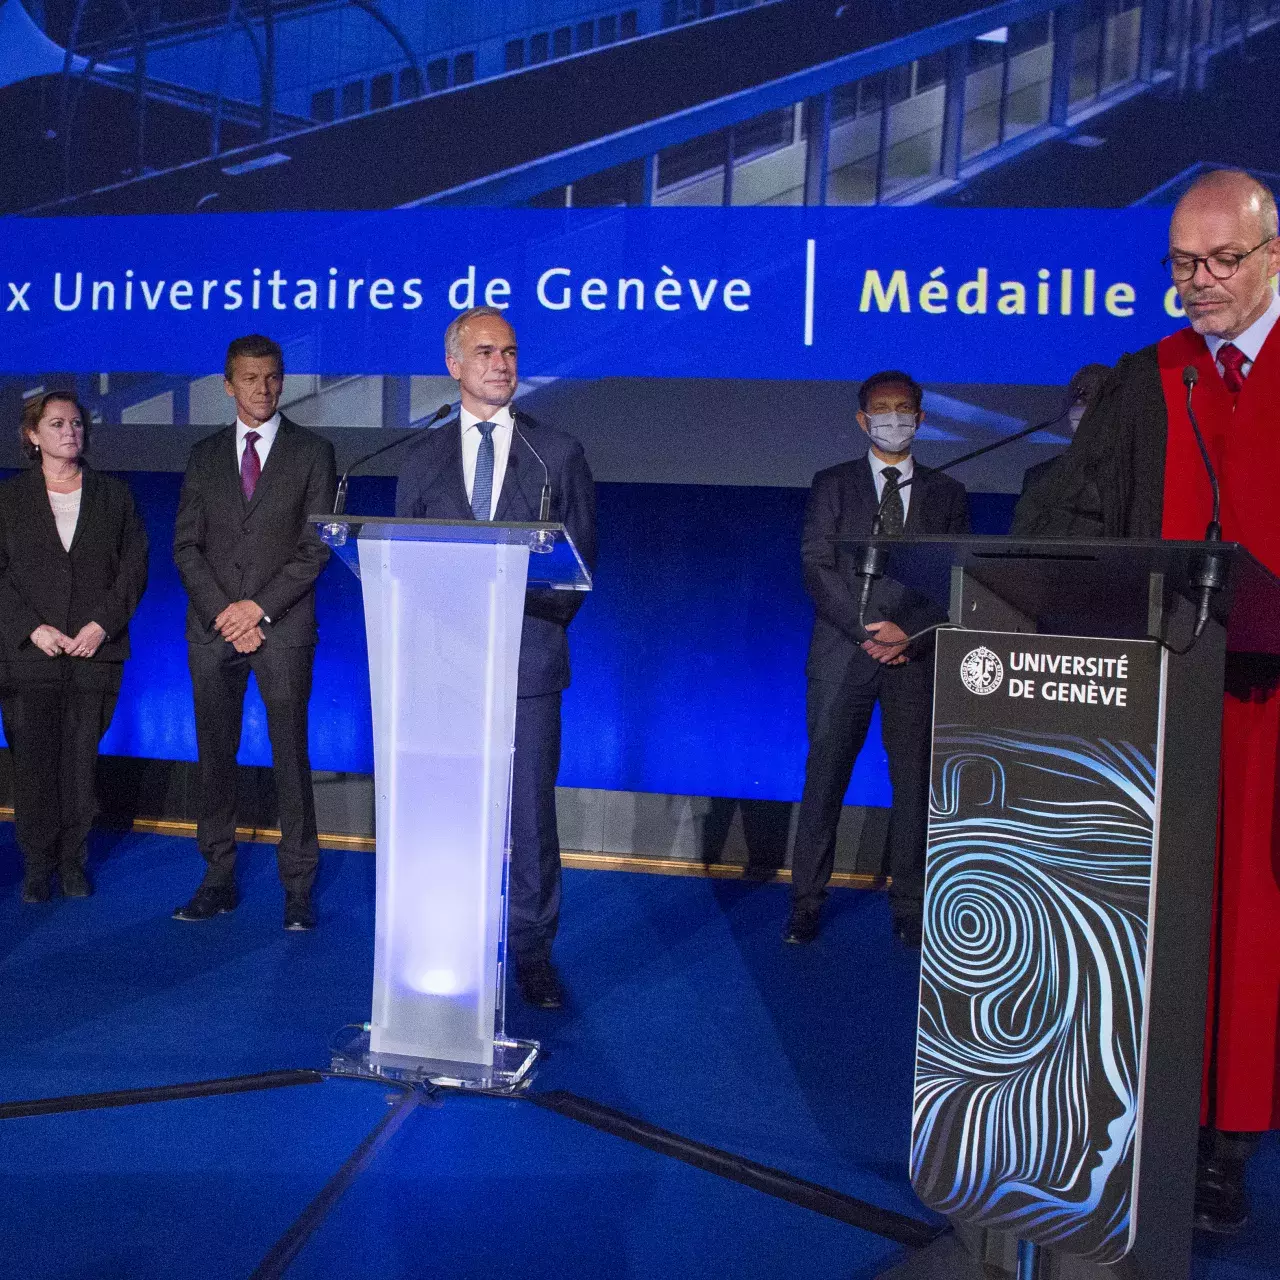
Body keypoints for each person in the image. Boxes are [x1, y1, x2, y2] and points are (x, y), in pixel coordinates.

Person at [1013, 168, 1280, 1236]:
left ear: (1272, 257)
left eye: (1220, 261)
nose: (1198, 282)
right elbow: (1063, 514)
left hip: (1270, 708)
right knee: (1154, 921)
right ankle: (1142, 1117)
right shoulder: (1146, 379)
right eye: (1179, 263)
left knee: (1249, 925)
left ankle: (1226, 1141)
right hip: (1160, 704)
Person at [395, 306, 596, 1009]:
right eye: (485, 352)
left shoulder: (558, 453)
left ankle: (534, 952)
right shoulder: (419, 457)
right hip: (444, 669)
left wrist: (504, 609)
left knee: (529, 817)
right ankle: (452, 939)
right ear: (455, 365)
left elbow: (578, 572)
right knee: (450, 813)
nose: (501, 364)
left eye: (509, 352)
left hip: (528, 665)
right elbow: (402, 567)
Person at [787, 371, 969, 948]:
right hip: (844, 652)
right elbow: (817, 566)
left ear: (920, 418)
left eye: (905, 409)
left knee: (913, 782)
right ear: (864, 420)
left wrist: (907, 634)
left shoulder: (948, 495)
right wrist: (865, 630)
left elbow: (951, 580)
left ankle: (910, 904)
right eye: (882, 410)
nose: (894, 418)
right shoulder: (833, 485)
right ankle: (806, 902)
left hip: (911, 658)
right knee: (825, 777)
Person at [172, 334, 336, 931]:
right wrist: (227, 613)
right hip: (215, 632)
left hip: (283, 631)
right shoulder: (202, 454)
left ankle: (298, 886)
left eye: (271, 377)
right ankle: (217, 876)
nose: (262, 388)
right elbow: (186, 547)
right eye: (249, 378)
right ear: (227, 384)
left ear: (282, 380)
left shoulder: (315, 452)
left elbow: (315, 547)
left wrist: (257, 611)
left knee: (291, 756)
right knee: (215, 756)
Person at [0, 391, 148, 901]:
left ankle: (73, 861)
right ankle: (39, 864)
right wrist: (32, 628)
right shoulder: (8, 499)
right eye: (57, 423)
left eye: (77, 423)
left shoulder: (115, 496)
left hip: (93, 653)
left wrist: (101, 625)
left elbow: (133, 570)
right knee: (35, 764)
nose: (70, 431)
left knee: (80, 764)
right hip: (29, 656)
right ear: (32, 435)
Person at [1018, 362, 1111, 499]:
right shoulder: (1038, 477)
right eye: (1078, 396)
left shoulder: (1133, 476)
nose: (1081, 405)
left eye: (1093, 397)